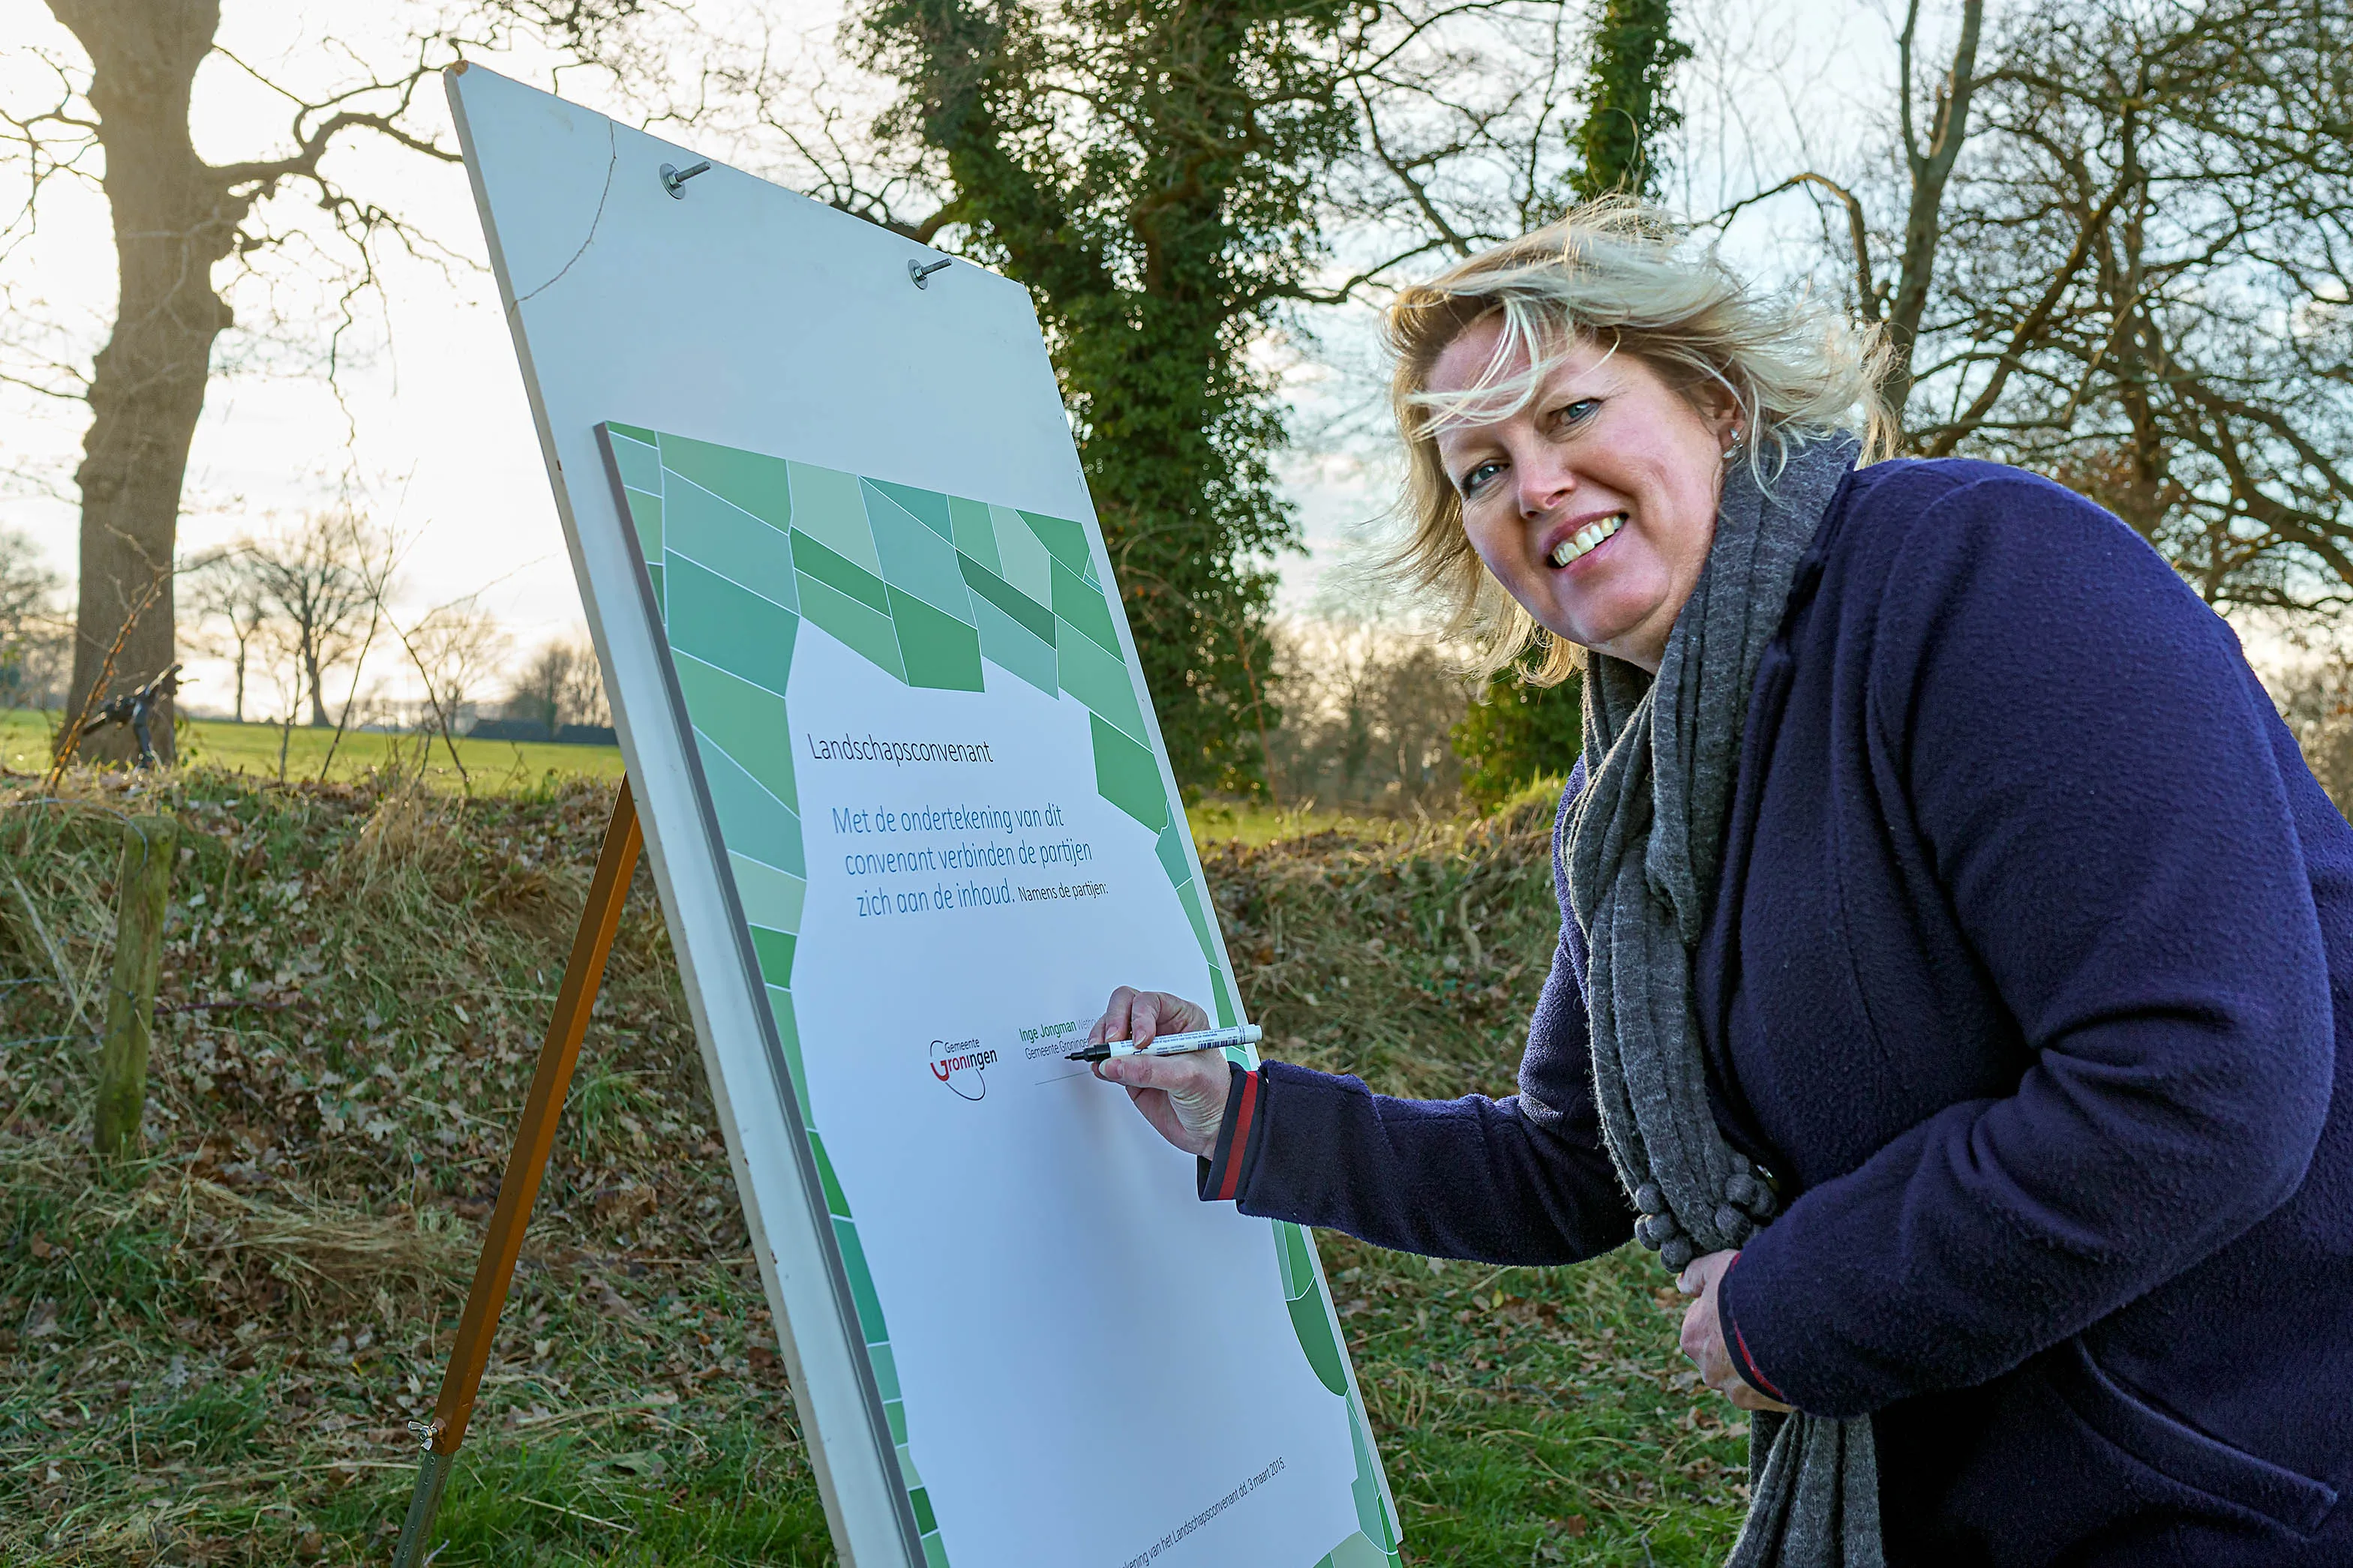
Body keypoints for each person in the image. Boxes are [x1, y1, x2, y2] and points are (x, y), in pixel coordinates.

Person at [1084, 201, 2353, 1567]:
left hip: (2251, 1469)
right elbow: (1570, 1164)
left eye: (1570, 412)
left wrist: (1798, 1307)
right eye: (1480, 469)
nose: (1535, 484)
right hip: (1971, 1487)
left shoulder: (1978, 571)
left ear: (1715, 402)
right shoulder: (1633, 794)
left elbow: (2198, 1085)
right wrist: (1241, 1117)